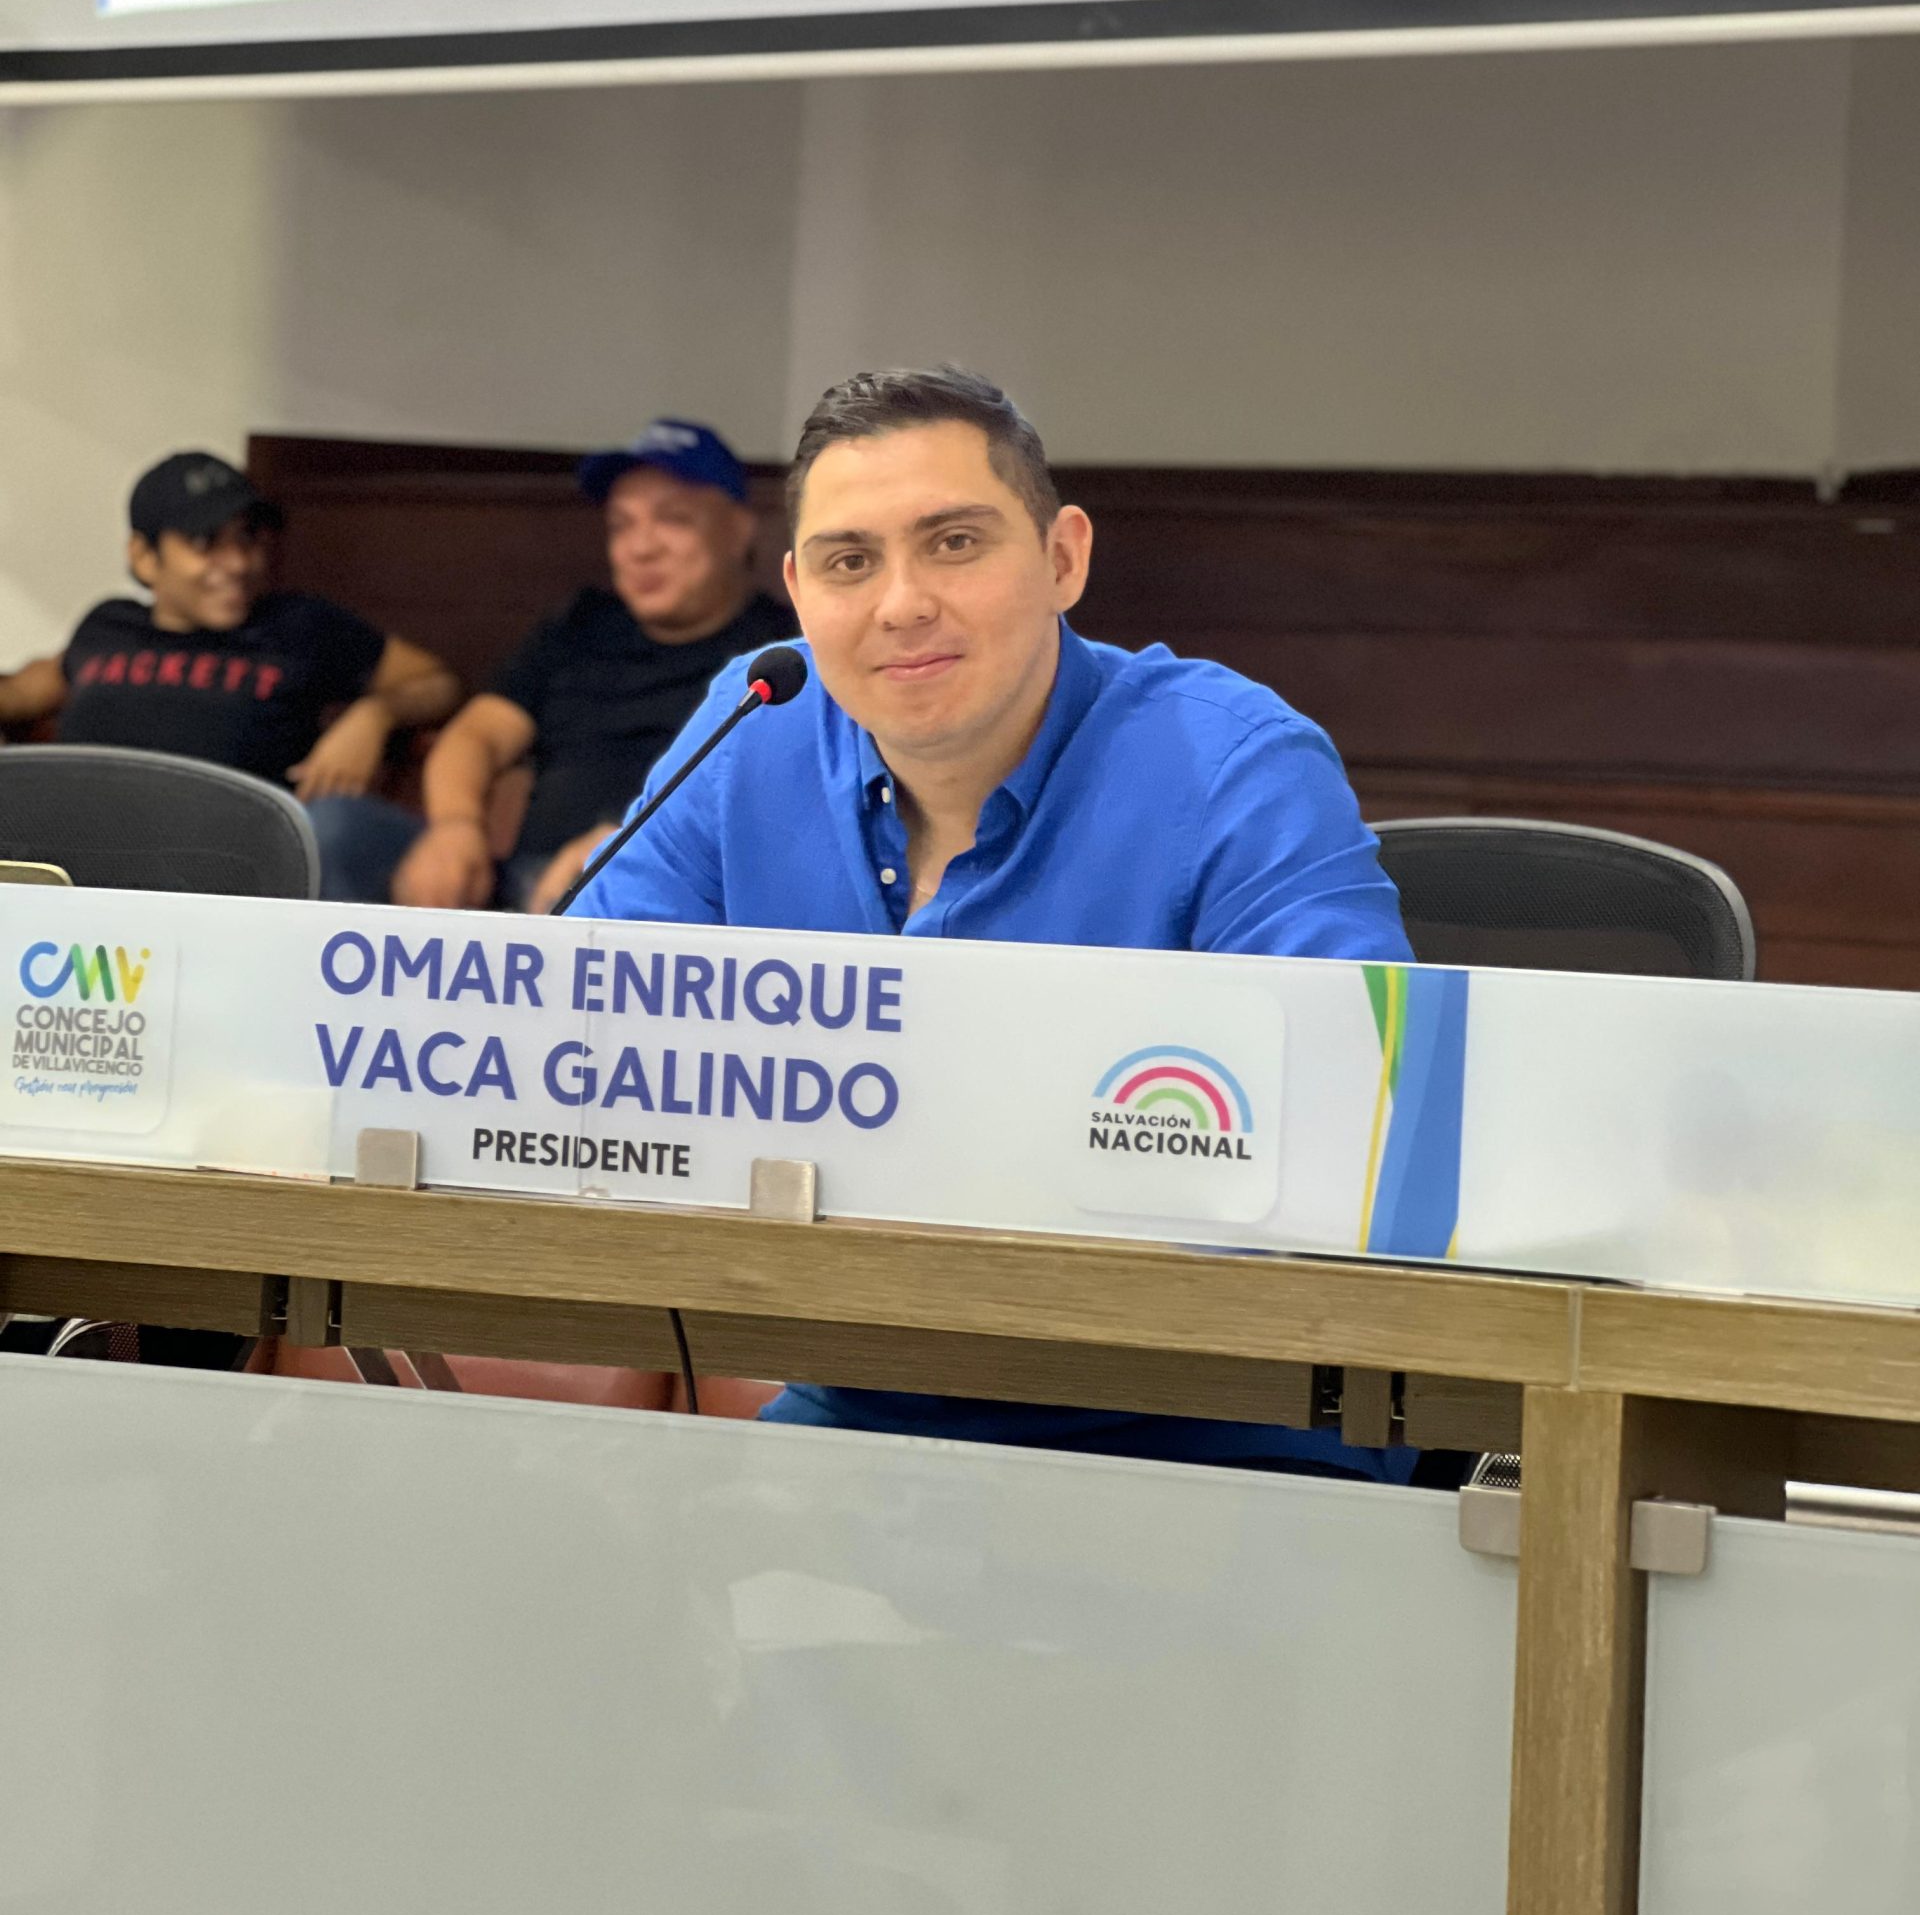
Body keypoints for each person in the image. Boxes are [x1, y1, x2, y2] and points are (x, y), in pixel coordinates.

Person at [570, 367, 1418, 1476]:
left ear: (1064, 558)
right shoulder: (757, 719)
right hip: (873, 1414)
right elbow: (580, 1031)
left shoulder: (1231, 761)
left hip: (1212, 1429)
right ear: (799, 592)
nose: (901, 603)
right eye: (849, 561)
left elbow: (1360, 1122)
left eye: (955, 543)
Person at [0, 451, 461, 902]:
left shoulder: (299, 624)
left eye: (247, 538)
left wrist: (375, 715)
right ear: (144, 557)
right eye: (205, 543)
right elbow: (20, 691)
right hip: (87, 854)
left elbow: (437, 681)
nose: (239, 563)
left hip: (238, 861)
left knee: (334, 826)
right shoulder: (108, 625)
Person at [394, 420, 794, 916]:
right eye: (622, 525)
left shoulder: (783, 655)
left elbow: (779, 807)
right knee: (342, 831)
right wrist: (454, 827)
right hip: (520, 884)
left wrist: (630, 850)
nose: (641, 548)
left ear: (738, 530)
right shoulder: (579, 625)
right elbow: (478, 735)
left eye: (674, 519)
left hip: (681, 894)